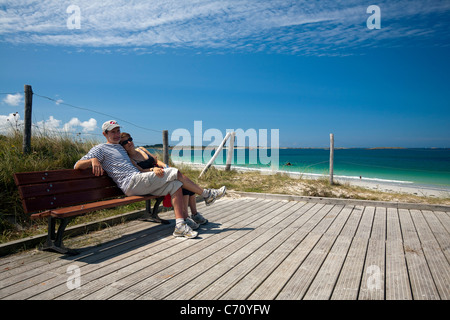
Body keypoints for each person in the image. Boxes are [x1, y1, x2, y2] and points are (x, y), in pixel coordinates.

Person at [74, 120, 226, 239]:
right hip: (131, 183)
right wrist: (93, 159)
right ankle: (206, 194)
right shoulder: (100, 149)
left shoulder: (120, 147)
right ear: (104, 134)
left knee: (176, 184)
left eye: (118, 131)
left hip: (139, 179)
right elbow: (77, 165)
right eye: (112, 132)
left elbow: (137, 162)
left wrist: (152, 168)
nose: (116, 134)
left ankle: (179, 225)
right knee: (174, 171)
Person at [120, 132, 208, 229]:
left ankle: (194, 214)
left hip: (161, 173)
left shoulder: (141, 149)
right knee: (181, 185)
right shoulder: (128, 159)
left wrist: (166, 167)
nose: (129, 142)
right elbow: (140, 171)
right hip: (151, 179)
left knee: (186, 185)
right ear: (122, 146)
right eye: (125, 142)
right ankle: (186, 217)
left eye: (130, 139)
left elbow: (156, 161)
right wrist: (153, 170)